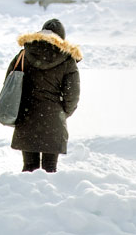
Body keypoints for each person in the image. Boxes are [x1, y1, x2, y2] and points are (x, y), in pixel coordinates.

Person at [8, 18, 81, 173]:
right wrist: (61, 113)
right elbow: (72, 95)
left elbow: (10, 84)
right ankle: (48, 197)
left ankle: (25, 196)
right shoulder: (68, 60)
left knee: (29, 167)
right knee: (50, 168)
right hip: (53, 119)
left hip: (26, 116)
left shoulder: (23, 54)